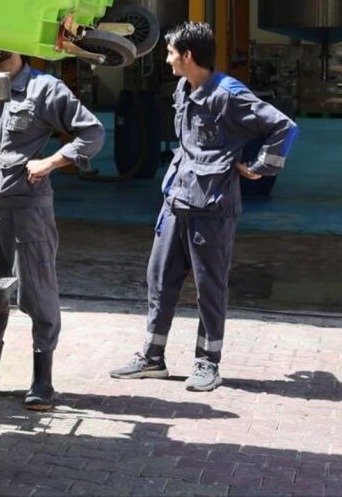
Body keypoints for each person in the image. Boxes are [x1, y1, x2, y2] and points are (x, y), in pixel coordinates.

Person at [110, 21, 297, 392]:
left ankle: (207, 362)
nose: (167, 60)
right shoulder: (183, 88)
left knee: (209, 287)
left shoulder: (229, 95)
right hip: (176, 201)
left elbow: (284, 127)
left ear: (188, 56)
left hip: (211, 209)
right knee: (159, 280)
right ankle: (152, 358)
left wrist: (260, 169)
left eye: (171, 53)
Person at [0, 50, 104, 410]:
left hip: (27, 210)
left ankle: (42, 381)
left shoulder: (44, 89)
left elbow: (92, 134)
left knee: (38, 294)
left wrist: (51, 162)